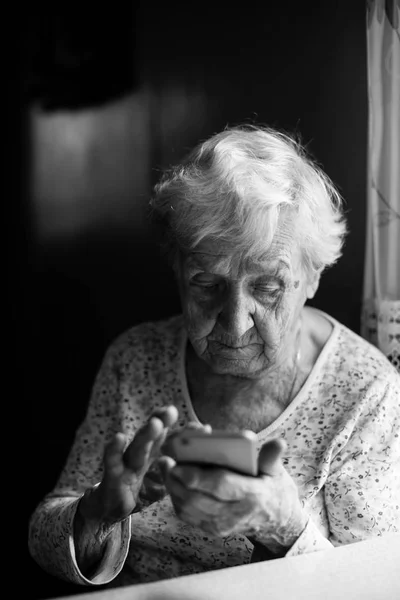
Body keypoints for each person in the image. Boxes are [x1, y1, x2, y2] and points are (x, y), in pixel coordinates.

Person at [28, 124, 400, 589]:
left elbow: (377, 586)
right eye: (207, 285)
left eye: (266, 287)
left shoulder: (366, 391)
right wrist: (98, 512)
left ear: (313, 277)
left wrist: (285, 528)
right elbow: (45, 537)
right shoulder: (136, 358)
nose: (235, 322)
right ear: (178, 269)